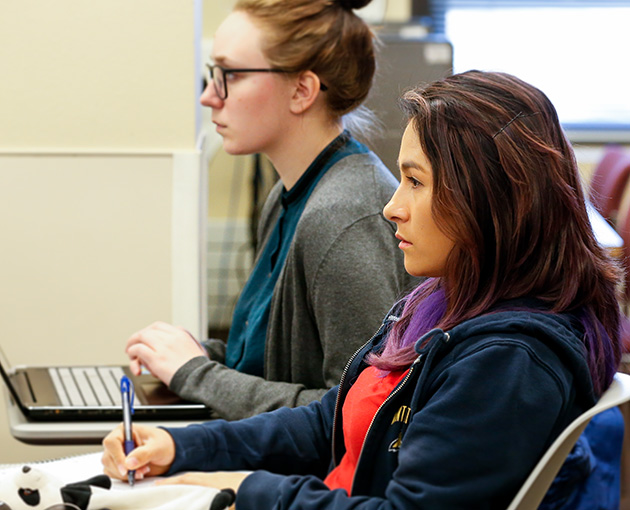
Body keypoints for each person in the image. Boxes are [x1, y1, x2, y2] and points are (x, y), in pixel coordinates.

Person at [102, 70, 623, 509]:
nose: (392, 206)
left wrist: (248, 489)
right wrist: (183, 446)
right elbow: (331, 422)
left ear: (488, 202)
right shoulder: (441, 302)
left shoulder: (509, 363)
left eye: (416, 183)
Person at [125, 0, 414, 420]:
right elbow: (270, 362)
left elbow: (356, 415)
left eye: (232, 76)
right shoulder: (288, 194)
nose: (209, 96)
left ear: (302, 90)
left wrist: (197, 374)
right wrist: (185, 357)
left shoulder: (344, 215)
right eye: (213, 75)